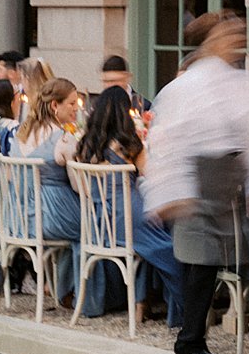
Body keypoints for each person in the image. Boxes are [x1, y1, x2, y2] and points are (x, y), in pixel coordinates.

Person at [143, 10, 249, 354]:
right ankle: (190, 339)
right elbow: (167, 140)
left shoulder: (243, 83)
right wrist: (167, 191)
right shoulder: (184, 86)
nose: (237, 40)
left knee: (211, 263)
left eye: (239, 35)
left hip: (228, 177)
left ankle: (193, 335)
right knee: (200, 263)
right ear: (210, 40)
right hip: (197, 176)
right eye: (230, 34)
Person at [73, 85, 183, 321]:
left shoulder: (85, 145)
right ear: (125, 112)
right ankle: (185, 311)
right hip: (128, 218)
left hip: (98, 222)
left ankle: (145, 304)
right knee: (174, 250)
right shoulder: (129, 144)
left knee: (153, 245)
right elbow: (151, 176)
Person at [10, 75, 85, 292]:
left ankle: (56, 286)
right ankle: (72, 291)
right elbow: (78, 186)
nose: (75, 109)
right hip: (48, 216)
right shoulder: (63, 139)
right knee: (92, 224)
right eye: (71, 103)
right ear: (55, 105)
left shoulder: (21, 135)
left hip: (17, 215)